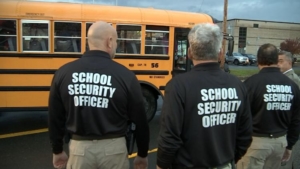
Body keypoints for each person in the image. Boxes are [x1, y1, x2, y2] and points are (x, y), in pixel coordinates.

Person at [48, 21, 150, 169]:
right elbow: (140, 120)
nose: (116, 46)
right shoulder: (126, 76)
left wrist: (57, 150)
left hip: (79, 149)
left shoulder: (63, 73)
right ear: (109, 41)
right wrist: (142, 154)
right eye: (116, 41)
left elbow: (55, 117)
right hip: (114, 149)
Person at [156, 23, 253, 169]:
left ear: (189, 52)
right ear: (220, 53)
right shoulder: (237, 84)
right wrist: (229, 158)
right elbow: (245, 134)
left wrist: (162, 165)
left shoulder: (178, 85)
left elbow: (169, 136)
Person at [237, 43, 300, 169]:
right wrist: (289, 145)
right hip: (280, 143)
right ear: (276, 60)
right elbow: (296, 119)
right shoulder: (291, 85)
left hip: (256, 143)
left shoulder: (251, 84)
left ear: (258, 60)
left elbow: (240, 116)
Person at [278, 50, 300, 169]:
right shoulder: (283, 77)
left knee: (284, 162)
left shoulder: (293, 80)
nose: (278, 64)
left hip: (287, 129)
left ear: (290, 63)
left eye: (281, 61)